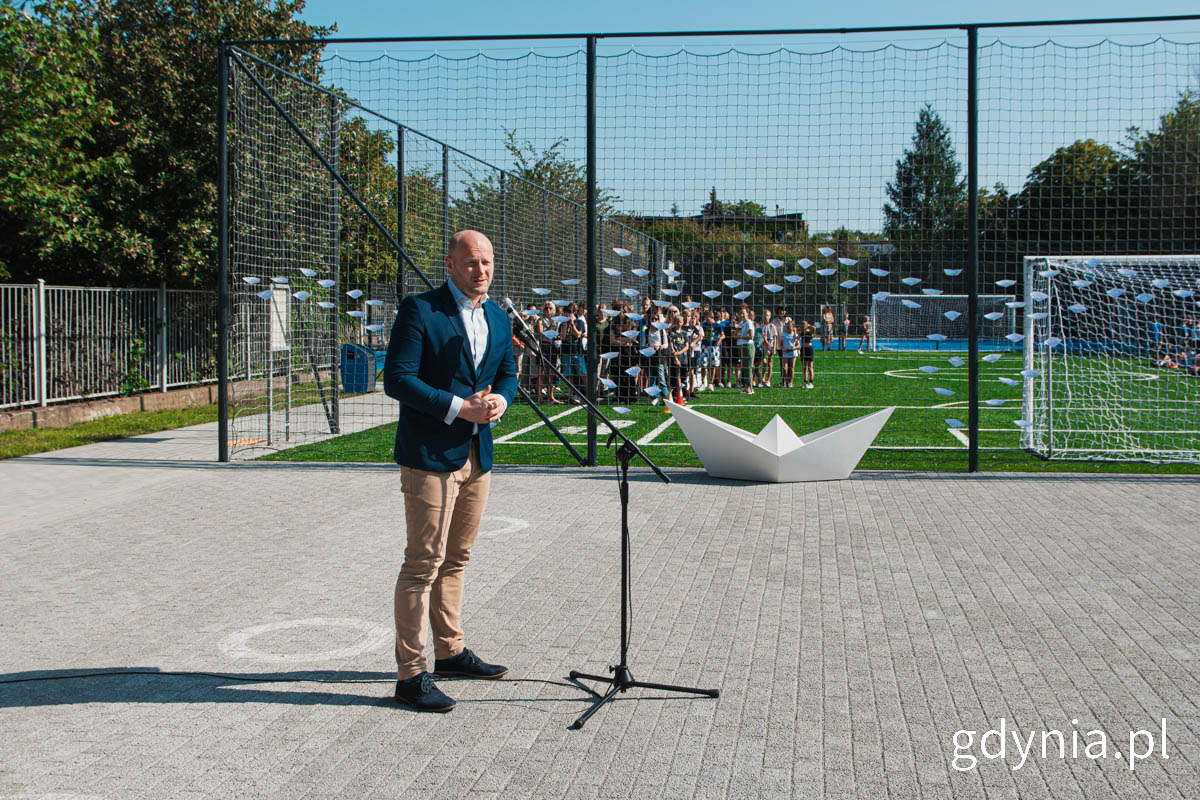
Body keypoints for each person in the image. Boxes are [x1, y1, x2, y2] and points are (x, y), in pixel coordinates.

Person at [383, 229, 517, 713]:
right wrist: (460, 408)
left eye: (487, 262)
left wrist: (501, 400)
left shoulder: (497, 315)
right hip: (430, 456)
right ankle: (410, 674)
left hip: (477, 455)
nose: (480, 270)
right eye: (471, 262)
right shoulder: (421, 310)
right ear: (450, 264)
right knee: (423, 564)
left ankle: (450, 651)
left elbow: (507, 374)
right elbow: (397, 379)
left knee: (457, 559)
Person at [535, 301, 562, 404]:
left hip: (553, 346)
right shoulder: (540, 320)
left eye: (550, 308)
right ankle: (540, 397)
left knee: (552, 372)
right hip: (544, 346)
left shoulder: (556, 320)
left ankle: (551, 396)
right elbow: (541, 334)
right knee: (541, 373)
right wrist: (550, 327)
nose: (548, 310)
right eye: (546, 308)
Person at [736, 308, 756, 394]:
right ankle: (748, 387)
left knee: (748, 367)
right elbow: (735, 336)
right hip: (741, 346)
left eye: (743, 313)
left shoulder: (749, 323)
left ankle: (749, 387)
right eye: (740, 313)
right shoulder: (740, 323)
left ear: (747, 313)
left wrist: (740, 337)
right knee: (744, 367)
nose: (742, 315)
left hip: (748, 346)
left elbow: (751, 336)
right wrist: (737, 328)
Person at [780, 318, 797, 387]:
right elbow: (781, 345)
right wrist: (784, 349)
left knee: (792, 368)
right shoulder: (784, 334)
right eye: (787, 326)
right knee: (784, 368)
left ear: (793, 327)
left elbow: (798, 345)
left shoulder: (794, 335)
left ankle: (791, 382)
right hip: (785, 353)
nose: (788, 327)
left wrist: (792, 349)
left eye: (790, 326)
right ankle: (786, 381)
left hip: (793, 353)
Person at [800, 320, 816, 389]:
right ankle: (805, 382)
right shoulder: (801, 332)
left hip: (809, 349)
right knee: (804, 367)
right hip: (803, 349)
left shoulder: (810, 331)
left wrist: (809, 326)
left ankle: (811, 382)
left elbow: (814, 328)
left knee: (810, 367)